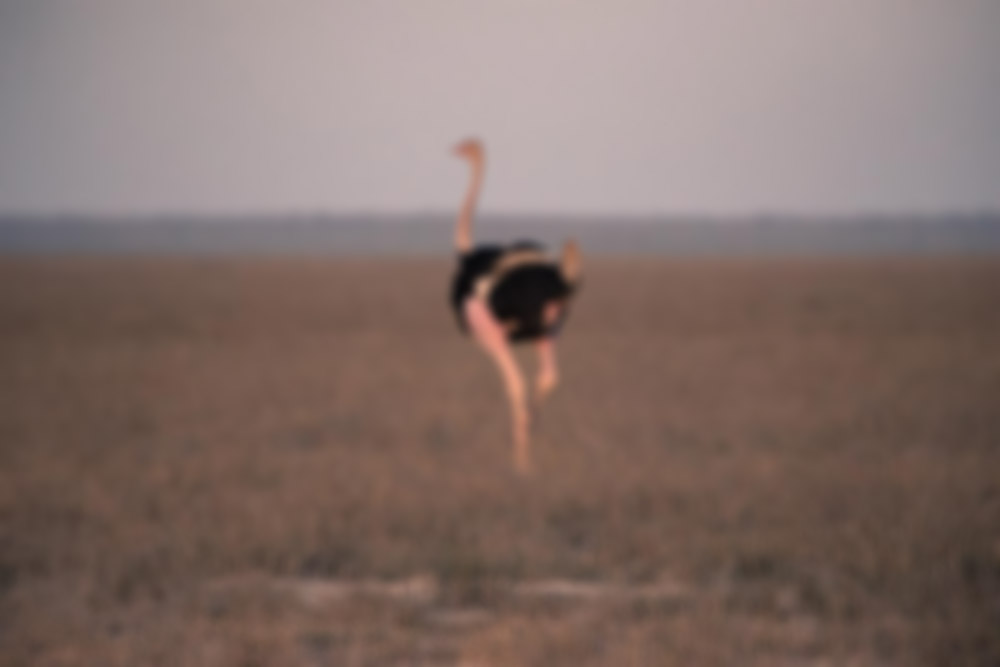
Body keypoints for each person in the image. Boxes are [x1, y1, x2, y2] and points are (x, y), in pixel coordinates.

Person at [449, 138, 582, 475]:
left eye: (469, 151)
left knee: (515, 380)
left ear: (476, 158)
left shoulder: (473, 268)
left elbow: (464, 248)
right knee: (548, 371)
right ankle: (562, 281)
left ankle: (521, 458)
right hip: (547, 299)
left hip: (505, 304)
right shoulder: (500, 260)